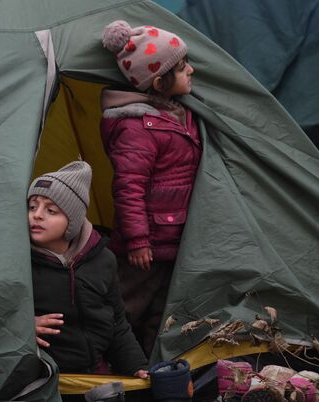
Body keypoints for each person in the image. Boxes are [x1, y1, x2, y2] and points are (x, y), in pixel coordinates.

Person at [100, 21, 202, 357]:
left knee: (161, 315)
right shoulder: (136, 128)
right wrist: (137, 241)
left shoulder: (180, 115)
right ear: (159, 82)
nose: (192, 69)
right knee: (128, 309)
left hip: (175, 238)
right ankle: (103, 365)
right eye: (182, 66)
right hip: (145, 246)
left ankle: (149, 372)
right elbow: (129, 187)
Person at [28, 161, 149, 379]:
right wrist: (21, 327)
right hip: (44, 381)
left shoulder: (102, 260)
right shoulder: (20, 262)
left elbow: (117, 323)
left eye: (51, 210)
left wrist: (136, 366)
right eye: (32, 206)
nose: (37, 215)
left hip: (94, 377)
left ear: (72, 221)